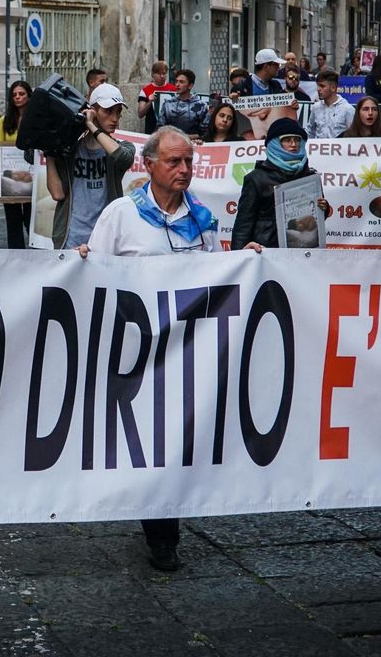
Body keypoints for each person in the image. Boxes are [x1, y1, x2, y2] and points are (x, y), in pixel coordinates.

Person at [79, 126, 260, 571]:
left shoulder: (200, 217)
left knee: (174, 441)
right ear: (149, 165)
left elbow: (215, 276)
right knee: (144, 442)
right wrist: (83, 260)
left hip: (187, 351)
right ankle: (155, 525)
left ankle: (165, 529)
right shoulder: (121, 215)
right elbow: (95, 278)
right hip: (135, 351)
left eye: (189, 162)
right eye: (174, 162)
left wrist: (246, 261)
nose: (184, 170)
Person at [45, 82, 136, 249]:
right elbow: (57, 194)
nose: (115, 118)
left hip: (105, 238)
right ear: (92, 110)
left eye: (118, 112)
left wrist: (91, 125)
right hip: (70, 237)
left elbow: (122, 158)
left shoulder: (124, 147)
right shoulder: (70, 150)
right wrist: (49, 153)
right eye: (108, 111)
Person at [231, 118, 330, 250]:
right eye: (287, 140)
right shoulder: (256, 178)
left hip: (302, 254)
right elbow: (243, 224)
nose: (293, 144)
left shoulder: (310, 177)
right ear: (275, 143)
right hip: (266, 253)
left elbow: (314, 223)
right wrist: (238, 257)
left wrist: (323, 209)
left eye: (297, 139)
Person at [0, 80, 34, 249]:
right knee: (12, 216)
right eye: (14, 95)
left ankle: (36, 252)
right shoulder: (4, 121)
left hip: (31, 174)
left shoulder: (35, 119)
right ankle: (15, 252)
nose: (17, 97)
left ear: (29, 95)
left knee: (31, 217)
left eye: (21, 94)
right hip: (10, 174)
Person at [158, 69, 210, 139]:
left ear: (190, 86)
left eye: (181, 82)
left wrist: (186, 137)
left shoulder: (201, 106)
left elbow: (205, 133)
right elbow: (160, 128)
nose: (177, 84)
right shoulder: (168, 104)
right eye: (176, 81)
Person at [308, 69, 355, 139]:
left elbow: (353, 134)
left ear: (333, 88)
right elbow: (310, 131)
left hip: (340, 148)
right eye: (318, 86)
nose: (318, 89)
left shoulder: (347, 109)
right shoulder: (316, 107)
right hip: (318, 149)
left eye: (322, 86)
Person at [137, 62, 175, 132]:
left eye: (164, 73)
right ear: (152, 75)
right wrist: (149, 102)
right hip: (152, 129)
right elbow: (140, 114)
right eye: (159, 74)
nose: (162, 76)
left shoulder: (173, 89)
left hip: (170, 129)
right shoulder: (145, 90)